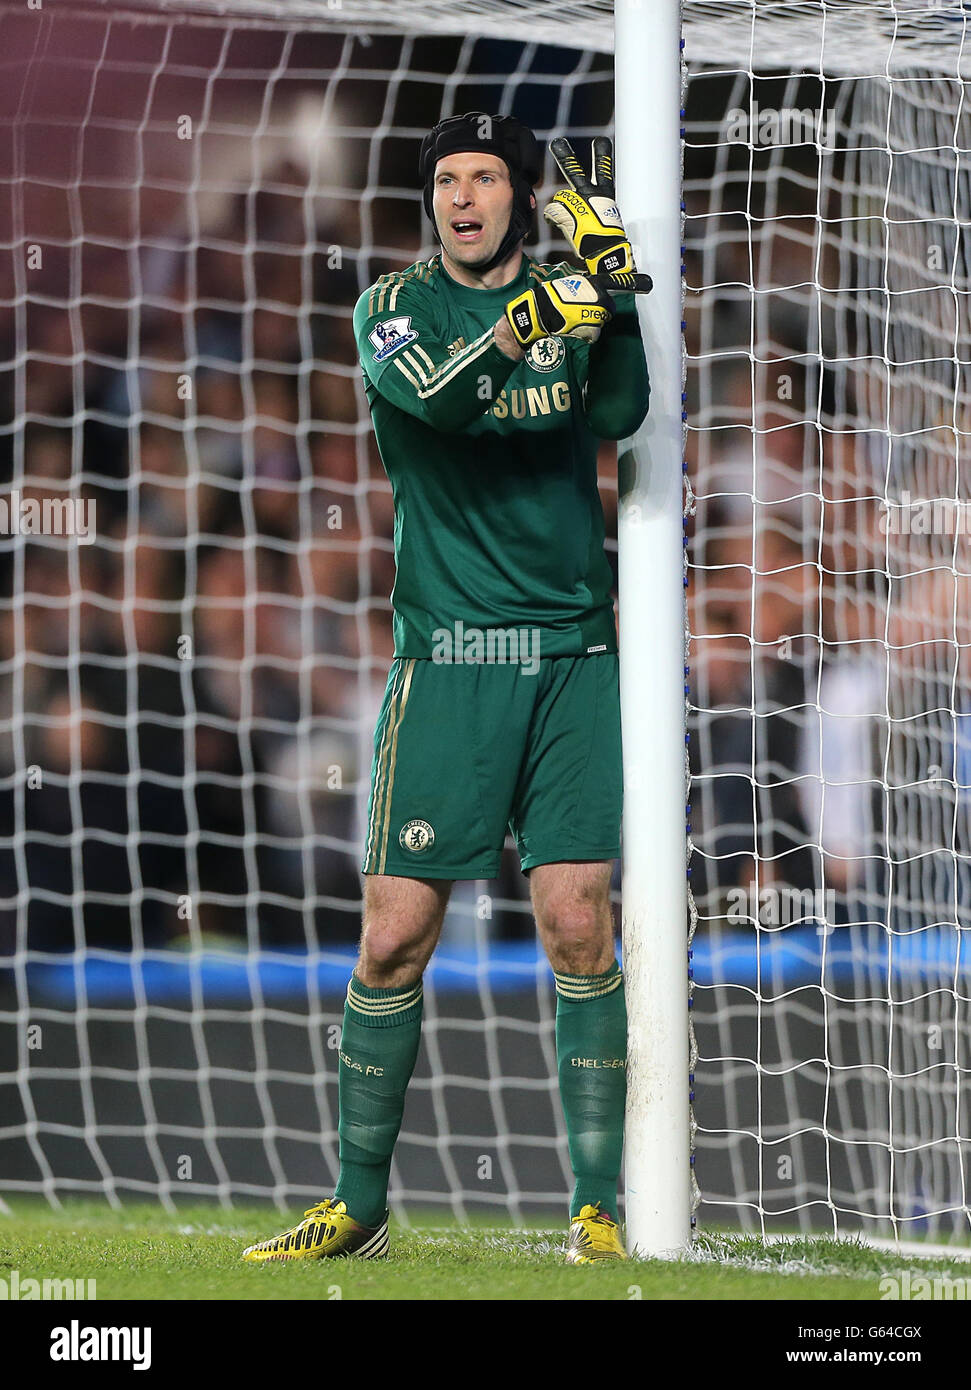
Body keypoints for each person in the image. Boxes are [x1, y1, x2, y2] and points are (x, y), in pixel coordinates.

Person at [242, 112, 651, 1265]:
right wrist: (536, 318)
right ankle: (357, 1201)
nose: (463, 197)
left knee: (577, 923)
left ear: (521, 196)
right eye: (446, 180)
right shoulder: (392, 306)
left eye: (485, 178)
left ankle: (594, 1208)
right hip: (449, 664)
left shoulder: (567, 305)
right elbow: (440, 404)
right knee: (393, 937)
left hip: (571, 657)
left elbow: (618, 416)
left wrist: (612, 296)